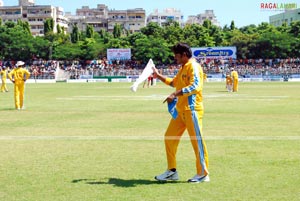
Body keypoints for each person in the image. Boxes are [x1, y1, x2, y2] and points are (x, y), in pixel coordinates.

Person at [152, 43, 209, 183]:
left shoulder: (194, 67)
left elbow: (195, 86)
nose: (174, 58)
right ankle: (172, 171)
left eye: (176, 55)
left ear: (184, 54)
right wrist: (158, 76)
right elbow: (174, 83)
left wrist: (175, 94)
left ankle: (203, 173)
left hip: (192, 110)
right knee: (169, 138)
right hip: (180, 111)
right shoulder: (183, 68)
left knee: (197, 142)